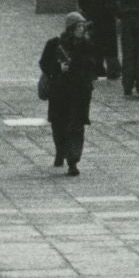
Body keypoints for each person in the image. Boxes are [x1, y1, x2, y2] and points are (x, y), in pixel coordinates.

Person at [40, 12, 96, 175]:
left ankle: (73, 161)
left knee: (76, 125)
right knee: (59, 124)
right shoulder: (54, 44)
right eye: (79, 26)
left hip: (80, 92)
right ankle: (60, 152)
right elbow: (44, 63)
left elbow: (94, 66)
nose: (82, 29)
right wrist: (58, 68)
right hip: (60, 91)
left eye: (83, 26)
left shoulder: (87, 45)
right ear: (71, 28)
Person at [78, 0, 119, 79]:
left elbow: (81, 0)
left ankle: (95, 69)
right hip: (108, 18)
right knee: (110, 45)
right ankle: (113, 71)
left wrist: (87, 12)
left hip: (93, 17)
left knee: (93, 43)